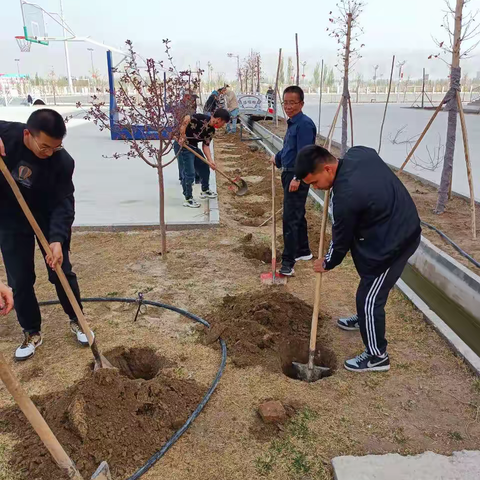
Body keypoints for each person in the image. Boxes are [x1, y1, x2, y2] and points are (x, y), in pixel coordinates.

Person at [295, 144, 422, 372]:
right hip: (392, 222)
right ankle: (365, 319)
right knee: (367, 287)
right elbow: (370, 156)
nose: (316, 188)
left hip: (395, 243)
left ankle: (377, 356)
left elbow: (341, 241)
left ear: (327, 169)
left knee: (370, 297)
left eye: (314, 182)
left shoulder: (346, 197)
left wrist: (327, 262)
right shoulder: (358, 153)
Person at [0, 109, 91, 361]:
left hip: (46, 217)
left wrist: (57, 239)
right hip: (10, 217)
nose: (49, 152)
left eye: (56, 146)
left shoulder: (62, 161)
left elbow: (64, 203)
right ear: (28, 134)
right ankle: (31, 331)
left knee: (61, 271)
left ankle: (78, 319)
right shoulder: (7, 134)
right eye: (44, 147)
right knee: (19, 278)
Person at [270, 85, 317, 276]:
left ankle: (288, 263)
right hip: (289, 173)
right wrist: (277, 157)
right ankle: (303, 251)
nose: (288, 106)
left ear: (301, 104)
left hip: (297, 175)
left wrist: (298, 177)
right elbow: (289, 149)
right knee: (297, 213)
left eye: (292, 103)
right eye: (286, 102)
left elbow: (305, 154)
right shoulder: (292, 123)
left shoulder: (304, 124)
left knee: (290, 218)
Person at [174, 109, 230, 208]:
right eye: (224, 123)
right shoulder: (201, 118)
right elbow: (186, 118)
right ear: (219, 120)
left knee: (204, 166)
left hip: (193, 147)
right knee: (189, 173)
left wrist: (210, 161)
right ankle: (188, 198)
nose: (223, 125)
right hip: (182, 146)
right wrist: (182, 135)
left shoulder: (211, 131)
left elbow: (206, 146)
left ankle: (205, 190)